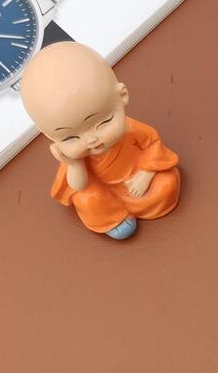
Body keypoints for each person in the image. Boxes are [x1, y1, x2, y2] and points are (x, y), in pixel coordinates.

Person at [21, 42, 181, 239]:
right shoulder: (75, 156)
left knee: (166, 184)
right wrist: (74, 163)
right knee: (86, 200)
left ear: (122, 96)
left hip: (137, 177)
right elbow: (79, 186)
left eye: (104, 122)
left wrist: (145, 176)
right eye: (71, 137)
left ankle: (129, 207)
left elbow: (154, 145)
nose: (91, 140)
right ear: (49, 135)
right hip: (102, 191)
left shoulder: (131, 130)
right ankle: (114, 218)